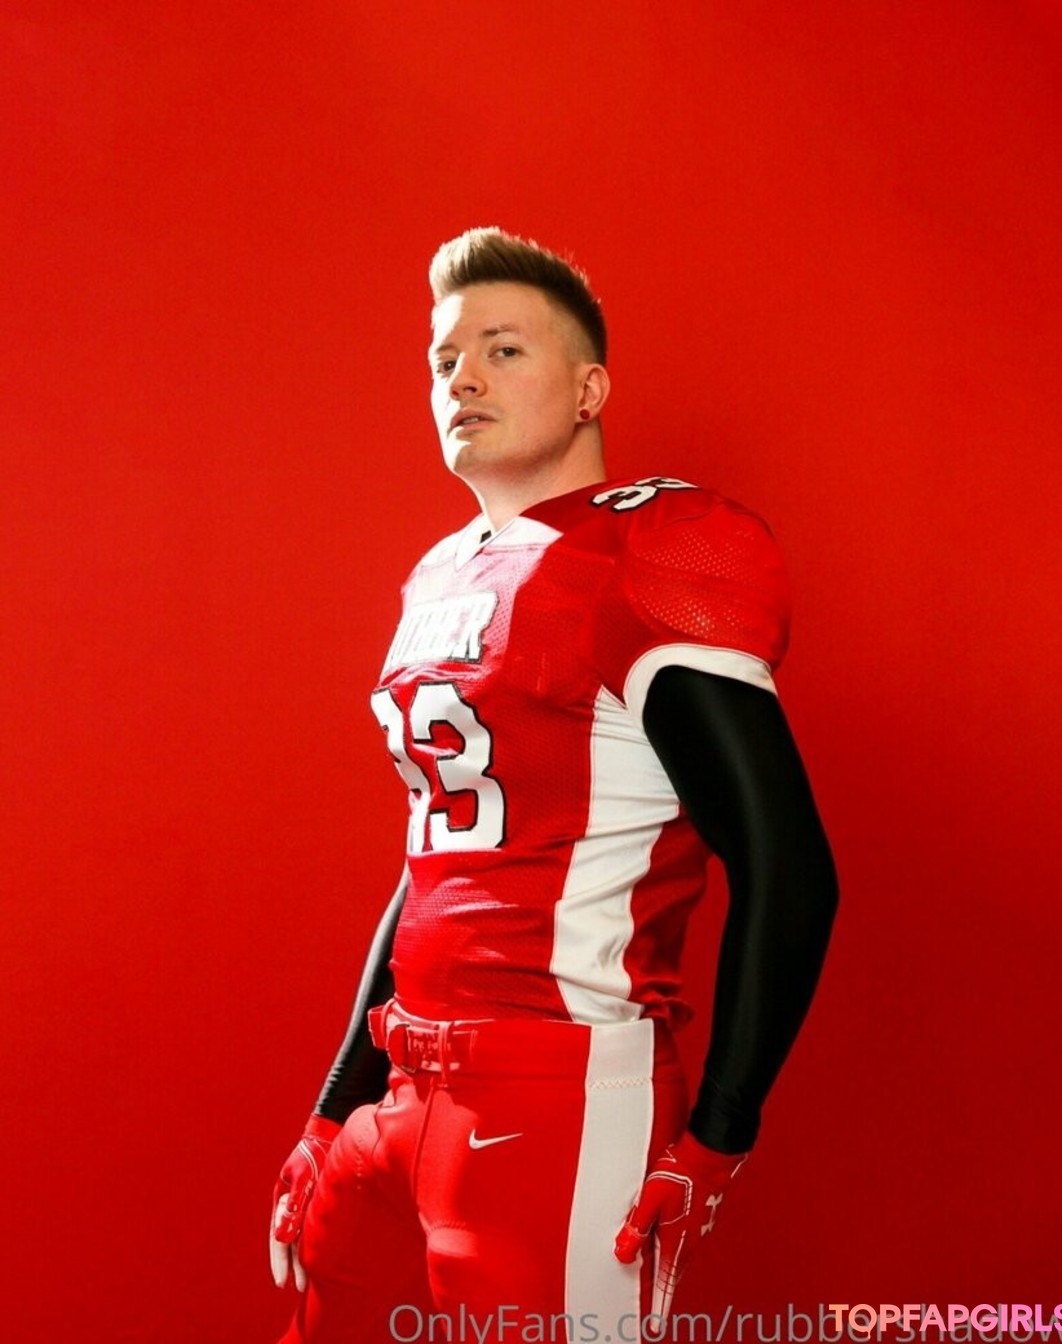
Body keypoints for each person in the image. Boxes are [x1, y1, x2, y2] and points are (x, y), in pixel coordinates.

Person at [269, 227, 838, 1343]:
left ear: (589, 390)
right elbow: (434, 861)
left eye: (503, 349)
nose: (463, 378)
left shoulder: (647, 552)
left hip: (556, 1095)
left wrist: (720, 1132)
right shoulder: (442, 574)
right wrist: (337, 1104)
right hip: (405, 1081)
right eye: (444, 359)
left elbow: (789, 865)